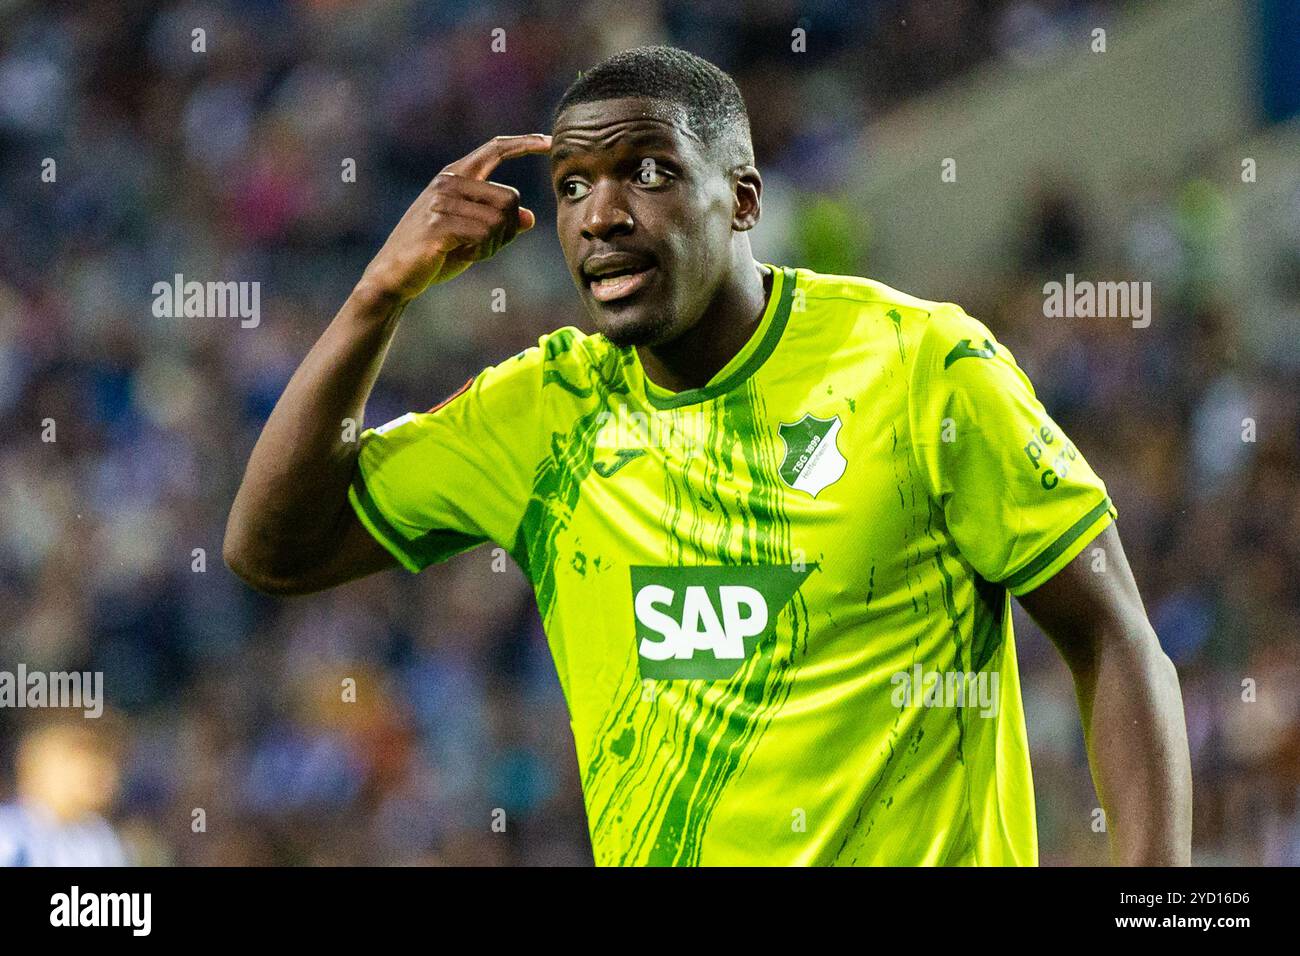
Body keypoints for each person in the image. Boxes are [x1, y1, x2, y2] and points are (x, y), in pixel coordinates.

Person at [224, 46, 1192, 866]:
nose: (601, 213)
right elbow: (273, 548)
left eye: (646, 171)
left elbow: (1111, 634)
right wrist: (375, 299)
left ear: (740, 198)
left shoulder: (918, 366)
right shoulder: (543, 413)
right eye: (571, 185)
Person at [0, 719, 127, 866]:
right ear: (39, 768)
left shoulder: (99, 835)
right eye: (75, 761)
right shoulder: (7, 833)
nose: (96, 769)